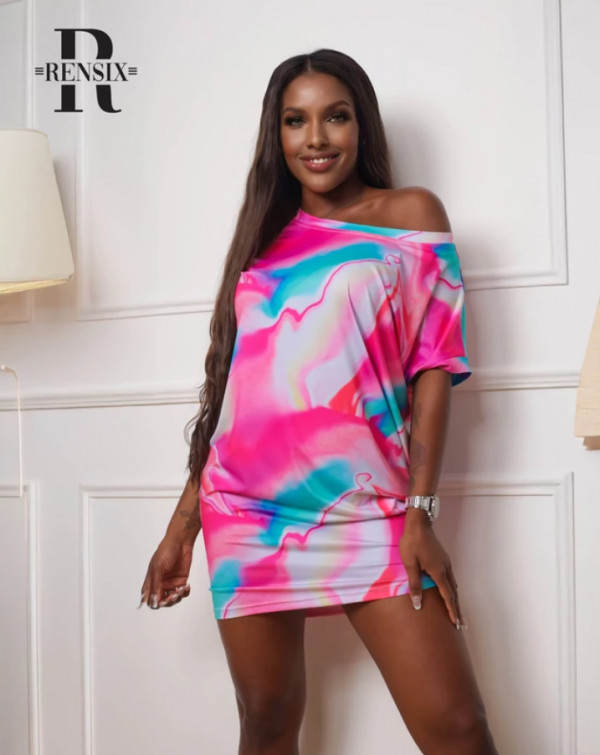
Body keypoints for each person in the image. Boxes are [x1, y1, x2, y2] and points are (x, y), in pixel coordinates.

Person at [140, 48, 499, 755]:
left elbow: (434, 366)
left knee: (458, 729)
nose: (316, 138)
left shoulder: (410, 214)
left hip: (372, 508)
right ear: (276, 135)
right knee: (268, 720)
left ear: (360, 124)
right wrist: (182, 527)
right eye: (295, 120)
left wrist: (420, 512)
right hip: (246, 512)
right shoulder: (263, 244)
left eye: (335, 117)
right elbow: (235, 396)